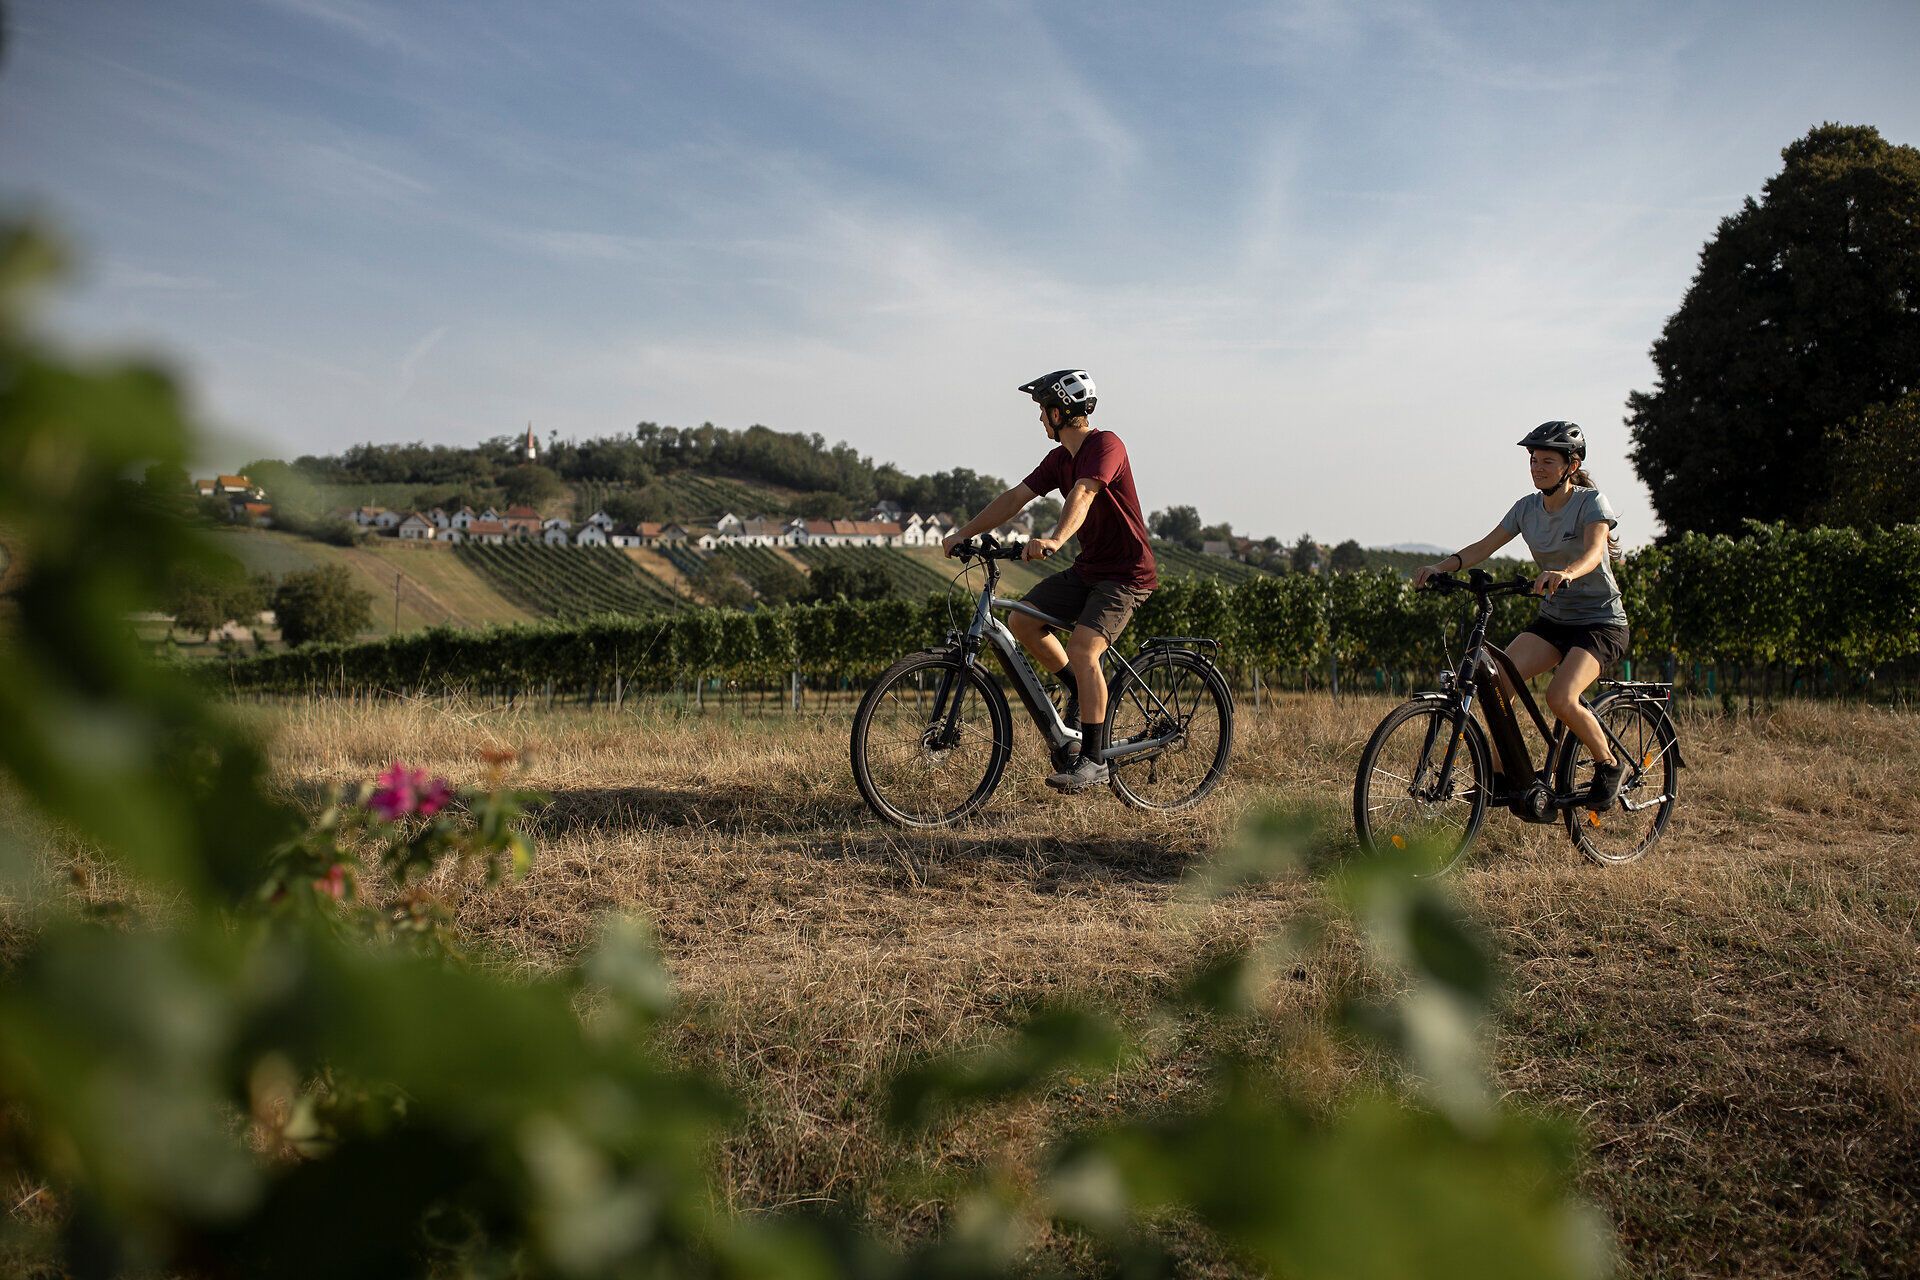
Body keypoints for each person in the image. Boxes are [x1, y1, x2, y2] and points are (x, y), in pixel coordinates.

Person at [942, 369, 1158, 794]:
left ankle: (1094, 761)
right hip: (1090, 569)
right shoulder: (1058, 459)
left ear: (1058, 412)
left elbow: (1084, 493)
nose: (1040, 419)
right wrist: (964, 533)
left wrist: (1057, 538)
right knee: (1024, 622)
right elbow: (1014, 498)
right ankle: (1079, 691)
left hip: (1125, 576)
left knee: (1082, 647)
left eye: (1043, 411)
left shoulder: (1106, 445)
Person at [1412, 421, 1631, 808]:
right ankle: (1505, 777)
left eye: (1547, 460)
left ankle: (1610, 765)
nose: (1537, 467)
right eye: (1533, 460)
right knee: (1496, 686)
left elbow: (1594, 552)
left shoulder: (1590, 502)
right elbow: (1485, 545)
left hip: (1600, 623)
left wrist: (1564, 573)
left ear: (1571, 464)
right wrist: (1444, 568)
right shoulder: (1526, 509)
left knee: (1561, 697)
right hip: (1554, 620)